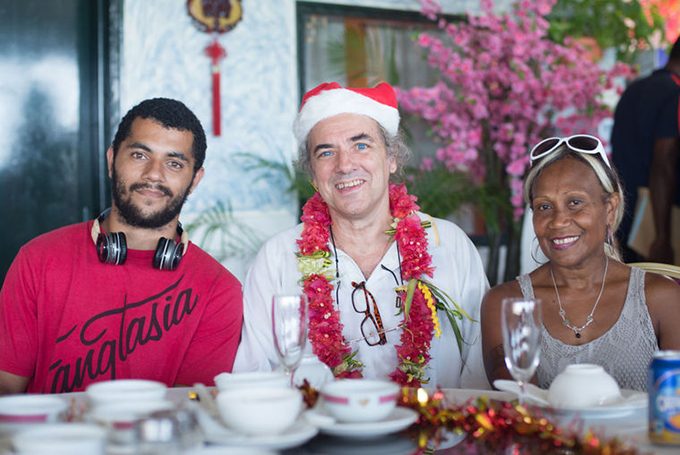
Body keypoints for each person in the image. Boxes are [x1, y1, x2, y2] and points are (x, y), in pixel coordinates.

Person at [233, 82, 490, 388]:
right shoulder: (277, 258)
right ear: (313, 174)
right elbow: (253, 377)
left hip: (433, 434)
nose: (344, 165)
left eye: (361, 145)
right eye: (326, 152)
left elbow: (480, 377)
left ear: (392, 158)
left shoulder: (448, 244)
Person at [0, 98, 243, 395]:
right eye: (140, 155)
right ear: (112, 160)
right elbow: (6, 390)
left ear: (194, 180)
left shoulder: (218, 290)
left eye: (174, 163)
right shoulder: (37, 260)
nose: (154, 174)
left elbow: (189, 409)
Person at [481, 135, 680, 391]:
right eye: (544, 207)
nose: (558, 221)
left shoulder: (661, 298)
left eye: (575, 202)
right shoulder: (508, 304)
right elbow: (519, 408)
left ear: (609, 208)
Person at [611, 37, 680, 264]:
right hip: (660, 223)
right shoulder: (675, 92)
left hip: (625, 216)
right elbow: (663, 165)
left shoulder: (634, 89)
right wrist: (662, 238)